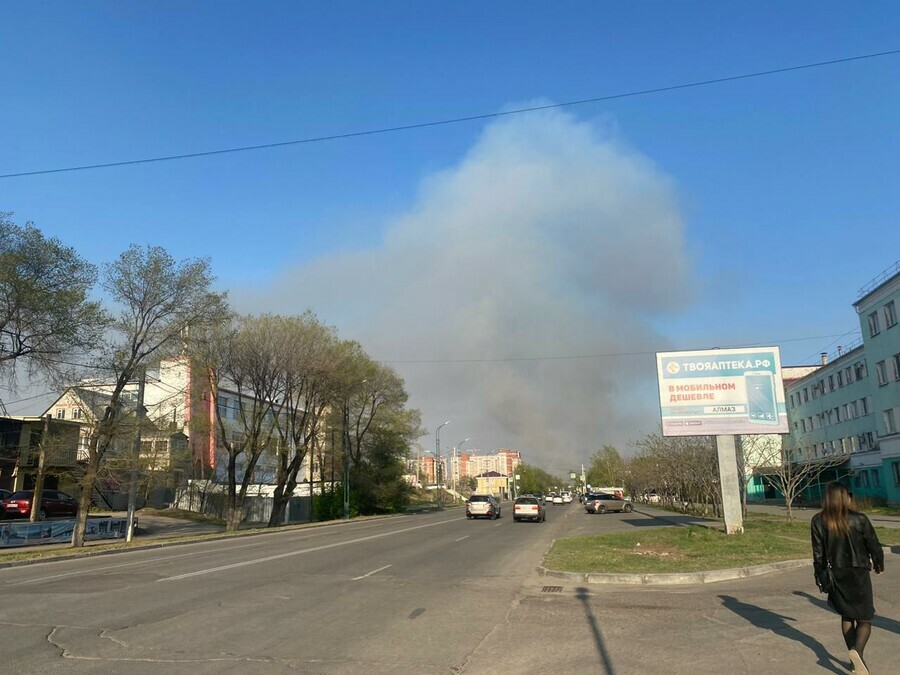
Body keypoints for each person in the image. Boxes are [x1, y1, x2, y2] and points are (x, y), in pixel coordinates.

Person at [811, 482, 884, 674]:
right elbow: (874, 545)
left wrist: (819, 576)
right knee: (865, 618)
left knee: (847, 616)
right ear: (845, 497)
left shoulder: (818, 520)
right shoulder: (860, 519)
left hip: (836, 574)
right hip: (858, 572)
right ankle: (856, 652)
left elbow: (818, 554)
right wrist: (878, 563)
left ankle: (855, 662)